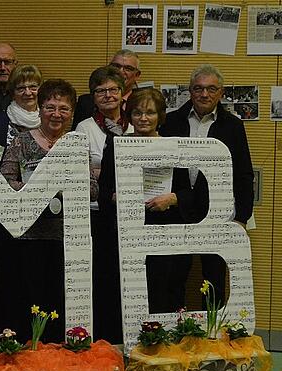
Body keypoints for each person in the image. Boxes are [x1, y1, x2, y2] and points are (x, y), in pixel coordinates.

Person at [0, 79, 94, 343]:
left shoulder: (77, 144)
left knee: (61, 299)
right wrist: (37, 189)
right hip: (28, 237)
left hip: (68, 239)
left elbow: (93, 189)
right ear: (39, 109)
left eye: (63, 108)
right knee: (30, 299)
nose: (56, 114)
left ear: (72, 113)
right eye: (50, 107)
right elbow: (5, 180)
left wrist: (67, 188)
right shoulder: (20, 141)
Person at [160, 64, 254, 306]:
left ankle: (212, 335)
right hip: (176, 212)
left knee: (214, 280)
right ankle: (174, 335)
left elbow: (243, 174)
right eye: (198, 88)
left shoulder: (233, 126)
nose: (204, 94)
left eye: (211, 88)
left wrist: (242, 218)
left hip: (217, 213)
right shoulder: (171, 122)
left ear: (221, 92)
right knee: (173, 277)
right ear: (190, 91)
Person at [97, 88, 197, 317]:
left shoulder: (174, 146)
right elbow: (102, 190)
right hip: (124, 232)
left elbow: (187, 192)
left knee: (161, 292)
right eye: (137, 113)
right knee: (123, 292)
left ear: (160, 117)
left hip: (163, 229)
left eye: (150, 113)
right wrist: (115, 197)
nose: (143, 118)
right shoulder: (116, 145)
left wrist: (172, 199)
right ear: (129, 116)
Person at [75, 66, 131, 343]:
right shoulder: (84, 127)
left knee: (130, 278)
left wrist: (102, 172)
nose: (108, 95)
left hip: (135, 214)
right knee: (103, 278)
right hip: (98, 215)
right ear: (93, 97)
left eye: (113, 90)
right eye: (100, 91)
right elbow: (84, 171)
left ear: (124, 94)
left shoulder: (137, 122)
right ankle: (104, 338)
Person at [72, 49, 141, 130]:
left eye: (128, 68)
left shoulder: (142, 102)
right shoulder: (85, 102)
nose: (121, 72)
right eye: (116, 66)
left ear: (137, 75)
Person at [0, 64, 43, 147]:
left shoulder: (48, 119)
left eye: (33, 87)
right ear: (13, 93)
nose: (28, 93)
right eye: (21, 88)